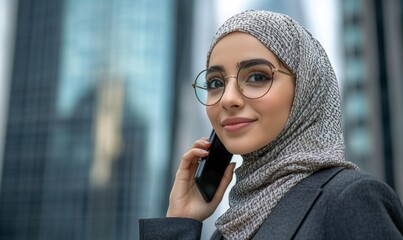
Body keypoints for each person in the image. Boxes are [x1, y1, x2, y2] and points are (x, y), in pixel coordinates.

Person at [139, 10, 403, 240]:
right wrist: (181, 220)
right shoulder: (229, 228)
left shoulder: (351, 198)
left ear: (305, 89)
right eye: (215, 83)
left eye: (257, 76)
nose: (228, 99)